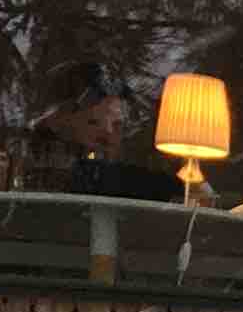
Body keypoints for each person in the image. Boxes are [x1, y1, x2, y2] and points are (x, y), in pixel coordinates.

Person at [32, 61, 197, 205]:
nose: (108, 134)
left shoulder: (136, 180)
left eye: (118, 125)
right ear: (60, 123)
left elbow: (196, 196)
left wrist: (183, 163)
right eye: (93, 123)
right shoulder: (44, 171)